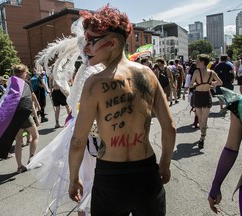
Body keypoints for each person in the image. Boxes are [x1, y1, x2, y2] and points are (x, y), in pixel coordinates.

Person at [68, 5, 176, 216]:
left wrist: (74, 179)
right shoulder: (148, 74)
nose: (86, 48)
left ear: (113, 42)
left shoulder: (95, 83)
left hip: (111, 178)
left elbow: (78, 141)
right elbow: (169, 127)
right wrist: (164, 164)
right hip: (146, 174)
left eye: (92, 41)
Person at [208, 87, 242, 214]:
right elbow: (231, 149)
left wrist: (216, 185)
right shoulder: (239, 105)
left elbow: (231, 149)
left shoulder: (239, 105)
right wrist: (216, 185)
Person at [189, 54, 222, 149]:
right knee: (205, 119)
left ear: (203, 62)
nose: (196, 62)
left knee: (200, 119)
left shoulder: (196, 72)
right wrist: (210, 84)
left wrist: (196, 84)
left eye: (198, 61)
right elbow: (220, 82)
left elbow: (191, 85)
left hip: (198, 95)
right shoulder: (212, 72)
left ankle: (202, 136)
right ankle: (202, 137)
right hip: (207, 95)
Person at [12, 64, 39, 174]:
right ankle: (31, 160)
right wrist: (36, 117)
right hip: (24, 114)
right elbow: (29, 101)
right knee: (35, 136)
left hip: (14, 114)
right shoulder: (26, 84)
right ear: (24, 73)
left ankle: (19, 166)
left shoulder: (11, 84)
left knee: (18, 140)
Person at [182, 62, 199, 128]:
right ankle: (197, 120)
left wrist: (183, 94)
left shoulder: (189, 75)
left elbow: (187, 85)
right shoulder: (200, 74)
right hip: (200, 91)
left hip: (192, 92)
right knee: (199, 108)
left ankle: (196, 120)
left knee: (195, 107)